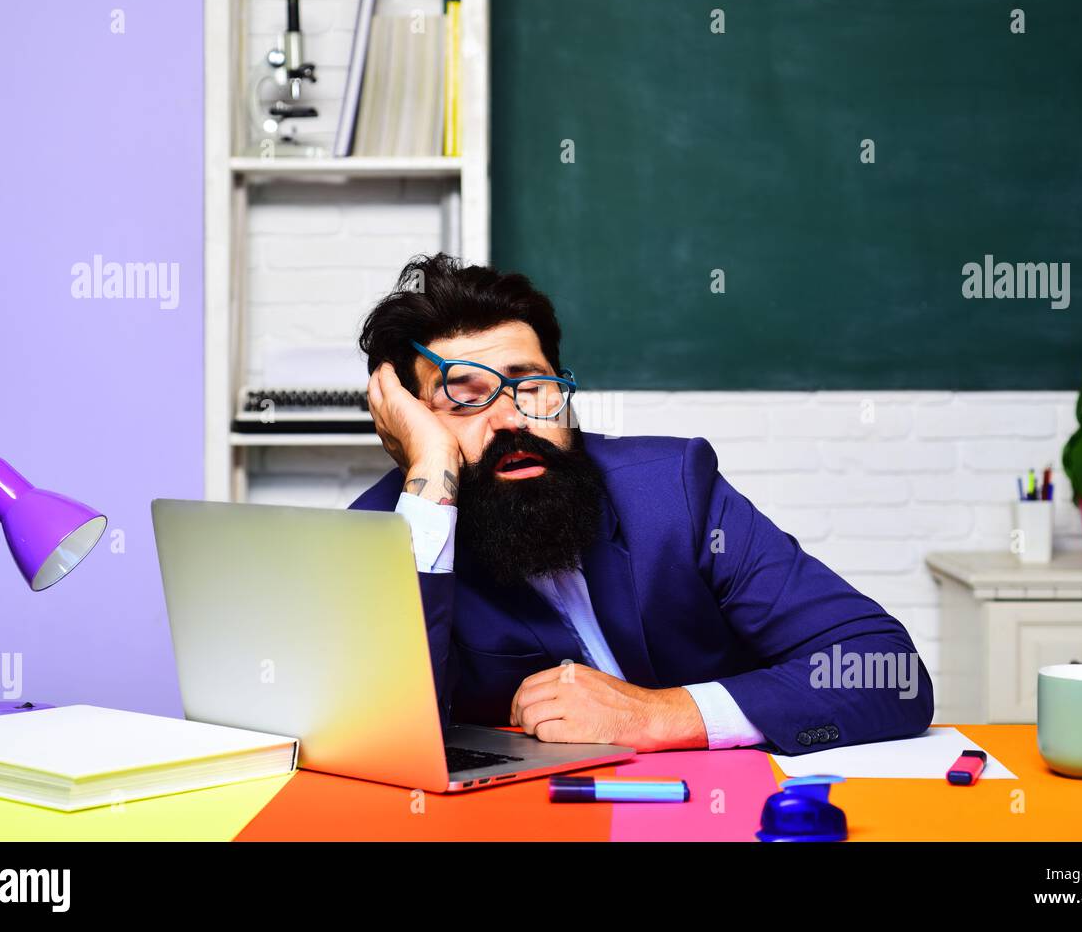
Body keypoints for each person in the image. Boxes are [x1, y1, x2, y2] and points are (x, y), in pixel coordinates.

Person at [351, 253, 933, 753]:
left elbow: (888, 671)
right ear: (409, 422)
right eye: (463, 398)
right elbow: (373, 735)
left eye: (530, 386)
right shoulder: (385, 531)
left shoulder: (674, 489)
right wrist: (428, 472)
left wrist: (658, 715)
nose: (510, 420)